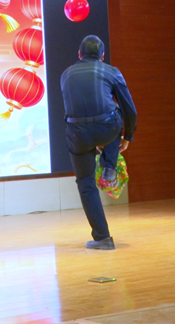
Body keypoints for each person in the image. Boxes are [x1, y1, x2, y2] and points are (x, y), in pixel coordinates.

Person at [60, 35, 137, 250]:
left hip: (77, 134)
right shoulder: (111, 71)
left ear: (79, 54)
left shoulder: (66, 74)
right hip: (106, 129)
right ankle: (109, 165)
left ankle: (103, 238)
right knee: (116, 111)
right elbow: (129, 109)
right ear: (102, 56)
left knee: (85, 184)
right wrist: (127, 136)